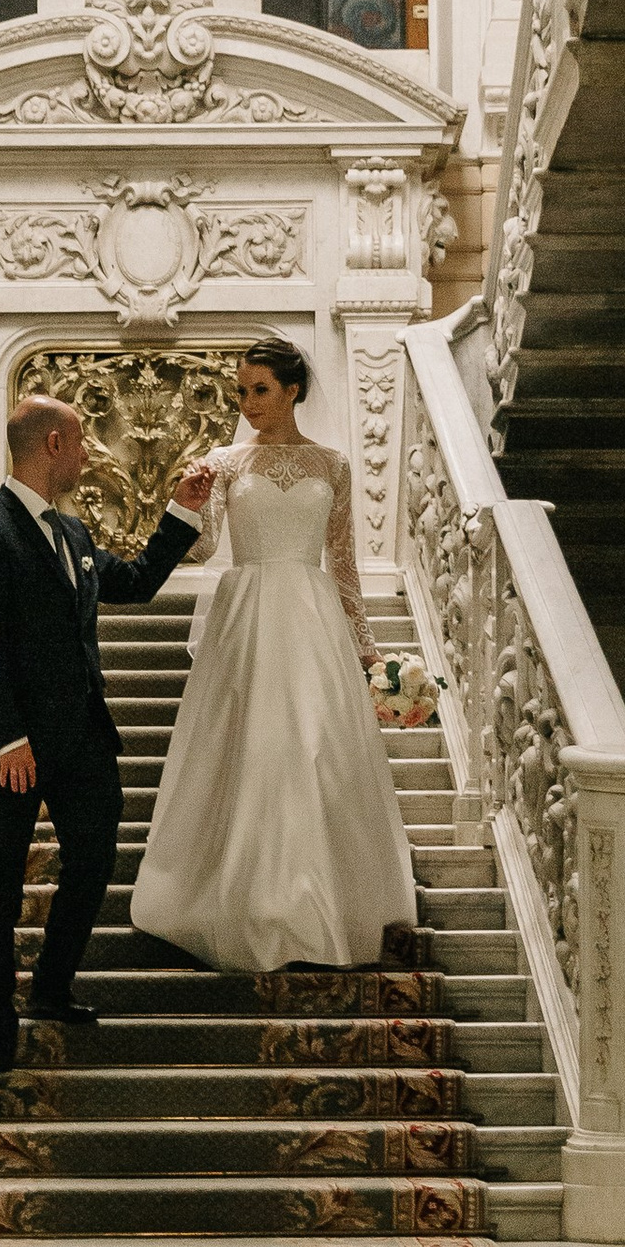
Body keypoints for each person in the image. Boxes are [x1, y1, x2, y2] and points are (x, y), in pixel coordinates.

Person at [130, 335, 417, 973]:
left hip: (312, 616)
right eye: (242, 391)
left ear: (292, 391)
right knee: (251, 751)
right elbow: (204, 552)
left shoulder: (335, 465)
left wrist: (369, 653)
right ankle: (249, 902)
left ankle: (317, 903)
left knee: (315, 754)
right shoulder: (225, 461)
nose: (248, 402)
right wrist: (186, 500)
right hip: (247, 614)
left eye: (260, 389)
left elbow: (343, 565)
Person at [0, 395, 212, 1075]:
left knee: (93, 861)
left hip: (82, 738)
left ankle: (52, 986)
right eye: (84, 441)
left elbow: (138, 582)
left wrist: (182, 510)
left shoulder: (73, 536)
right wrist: (8, 738)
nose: (93, 453)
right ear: (54, 445)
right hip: (12, 747)